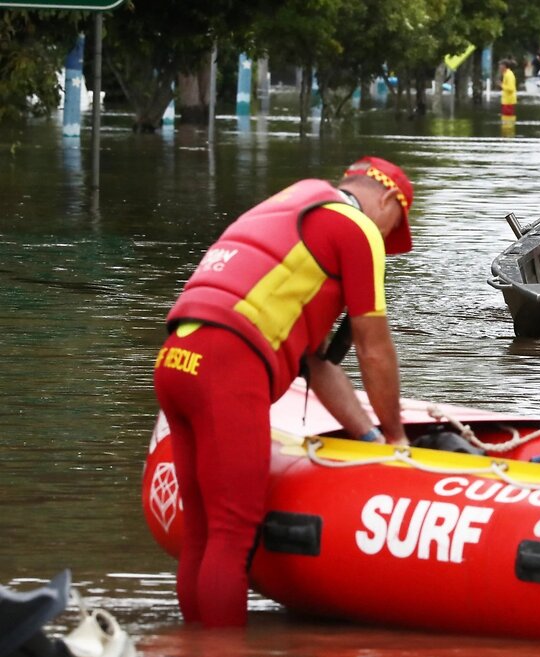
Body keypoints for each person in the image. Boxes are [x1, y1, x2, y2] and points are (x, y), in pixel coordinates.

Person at [153, 157, 415, 628]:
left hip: (177, 357)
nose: (387, 241)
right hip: (227, 365)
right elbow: (374, 350)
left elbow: (316, 364)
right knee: (232, 534)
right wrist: (398, 439)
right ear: (388, 201)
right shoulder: (356, 227)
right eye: (395, 227)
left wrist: (372, 439)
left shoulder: (293, 203)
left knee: (200, 533)